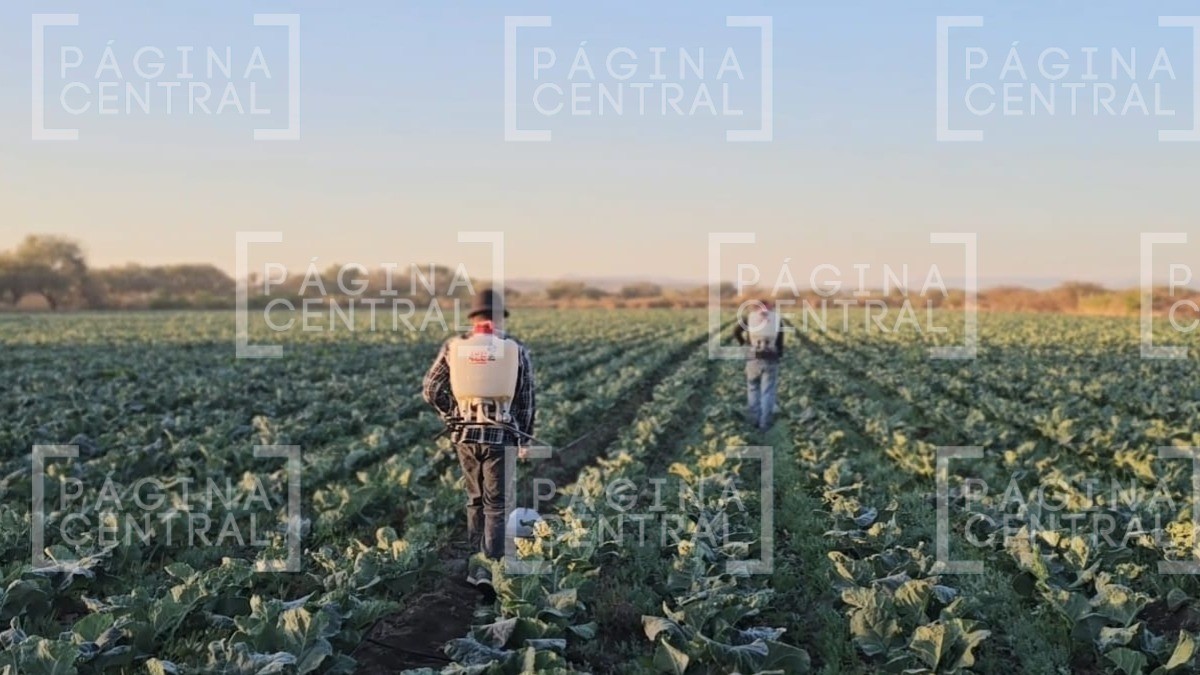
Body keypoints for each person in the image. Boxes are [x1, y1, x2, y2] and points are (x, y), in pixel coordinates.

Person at [422, 288, 536, 589]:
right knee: (497, 503)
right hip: (502, 436)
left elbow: (430, 389)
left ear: (473, 318)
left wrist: (453, 415)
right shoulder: (514, 348)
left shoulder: (455, 347)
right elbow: (525, 397)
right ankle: (492, 567)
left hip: (465, 436)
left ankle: (476, 563)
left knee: (475, 499)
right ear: (499, 318)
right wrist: (525, 438)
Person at [733, 299, 783, 431]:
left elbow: (736, 332)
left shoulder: (749, 318)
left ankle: (753, 421)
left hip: (753, 358)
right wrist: (778, 356)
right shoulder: (776, 319)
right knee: (768, 392)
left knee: (753, 388)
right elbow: (780, 341)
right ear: (770, 307)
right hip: (771, 359)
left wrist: (744, 343)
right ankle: (764, 424)